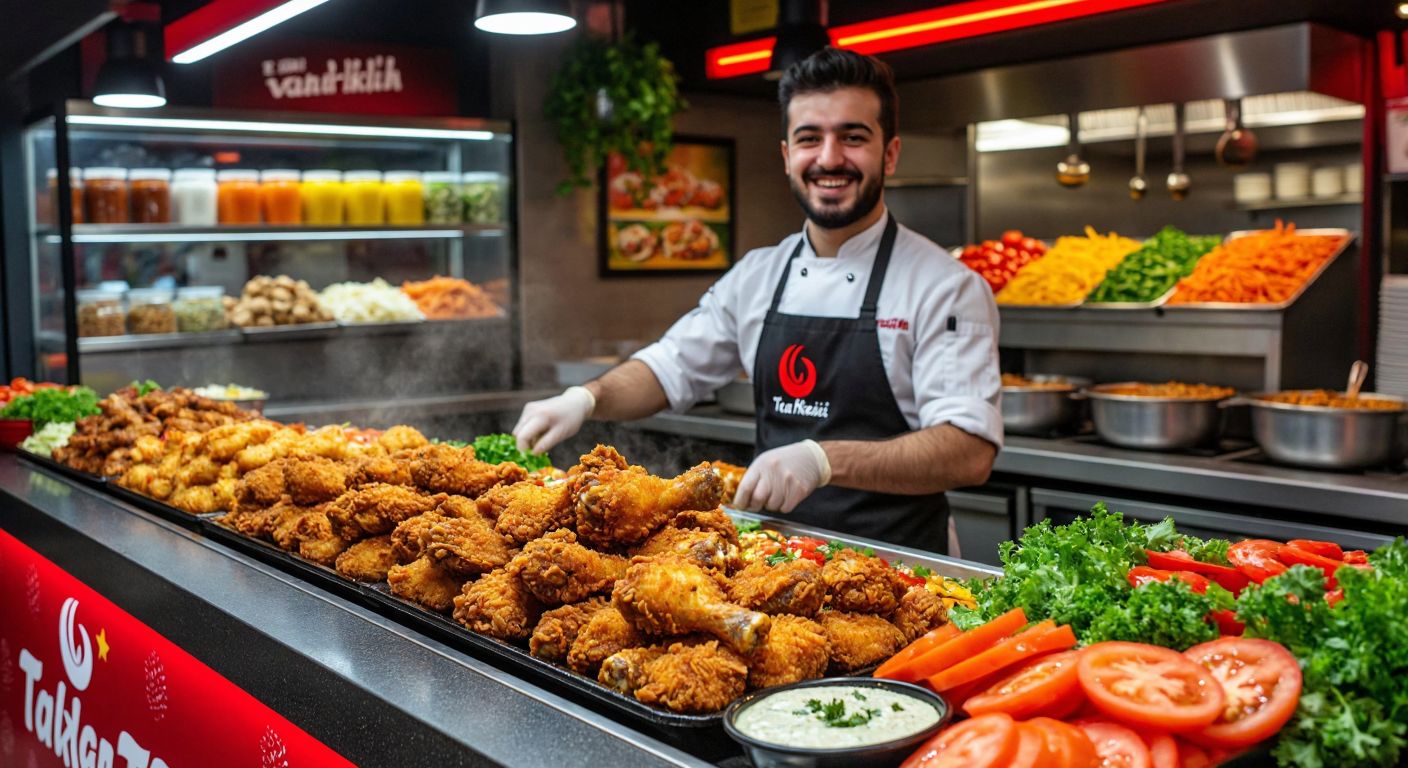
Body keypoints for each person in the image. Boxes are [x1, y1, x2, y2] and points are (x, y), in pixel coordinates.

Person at [513, 48, 1001, 553]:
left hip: (903, 566)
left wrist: (822, 460)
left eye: (853, 137)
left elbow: (967, 449)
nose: (830, 158)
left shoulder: (945, 285)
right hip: (775, 558)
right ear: (788, 155)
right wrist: (587, 398)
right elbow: (670, 366)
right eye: (810, 139)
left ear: (891, 153)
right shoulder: (758, 275)